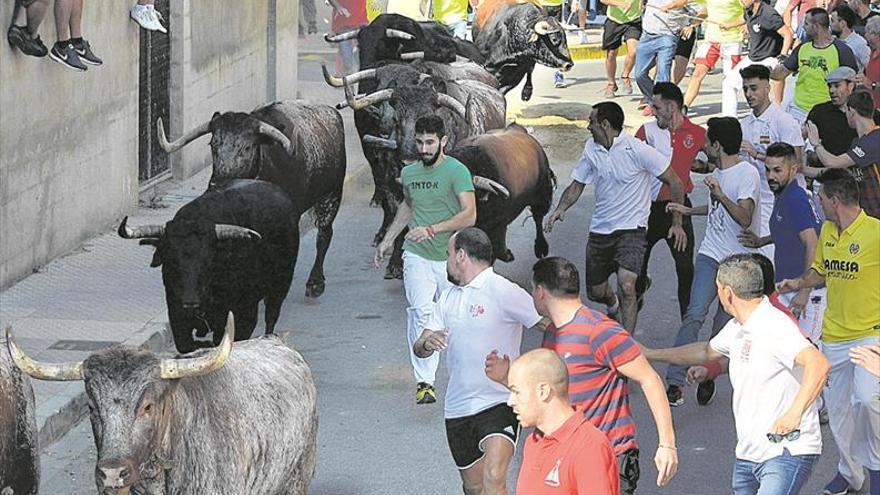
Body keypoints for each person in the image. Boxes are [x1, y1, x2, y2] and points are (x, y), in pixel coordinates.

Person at [485, 257, 679, 494]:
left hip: (609, 453)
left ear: (540, 291)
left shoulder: (599, 331)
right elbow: (550, 391)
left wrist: (667, 444)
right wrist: (508, 379)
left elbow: (649, 378)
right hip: (565, 452)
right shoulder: (552, 334)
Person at [643, 254, 830, 495]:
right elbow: (705, 350)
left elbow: (819, 364)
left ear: (727, 293)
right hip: (749, 453)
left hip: (785, 450)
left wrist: (794, 413)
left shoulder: (775, 325)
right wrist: (651, 353)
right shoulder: (739, 327)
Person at [413, 228, 541, 495]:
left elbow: (549, 323)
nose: (446, 260)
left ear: (460, 255)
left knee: (494, 478)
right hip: (458, 408)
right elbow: (419, 347)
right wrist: (427, 342)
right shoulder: (446, 297)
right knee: (473, 487)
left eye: (448, 253)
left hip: (499, 401)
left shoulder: (504, 291)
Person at [777, 168, 879, 495]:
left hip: (870, 336)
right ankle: (851, 475)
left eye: (820, 198)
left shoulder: (876, 234)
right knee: (838, 415)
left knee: (866, 400)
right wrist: (799, 282)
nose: (817, 204)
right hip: (834, 338)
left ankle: (875, 470)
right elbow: (820, 272)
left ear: (834, 201)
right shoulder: (828, 234)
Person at [545, 102, 686, 334]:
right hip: (600, 231)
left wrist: (677, 222)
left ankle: (624, 346)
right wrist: (561, 209)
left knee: (627, 285)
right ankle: (613, 304)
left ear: (605, 125)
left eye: (591, 121)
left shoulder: (637, 150)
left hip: (633, 229)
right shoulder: (591, 149)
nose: (588, 126)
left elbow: (676, 182)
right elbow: (577, 184)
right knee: (595, 292)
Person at [374, 115, 477, 405]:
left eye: (430, 142)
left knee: (454, 316)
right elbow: (408, 206)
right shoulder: (410, 174)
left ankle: (463, 376)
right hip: (416, 255)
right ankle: (425, 382)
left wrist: (433, 229)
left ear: (443, 141)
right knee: (420, 311)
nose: (424, 148)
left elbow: (469, 215)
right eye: (419, 142)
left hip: (450, 258)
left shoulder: (457, 172)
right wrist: (388, 239)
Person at [663, 117, 762, 407]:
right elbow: (719, 207)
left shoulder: (747, 174)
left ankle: (706, 375)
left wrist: (719, 193)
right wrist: (689, 210)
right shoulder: (719, 170)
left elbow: (744, 217)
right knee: (694, 313)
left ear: (718, 144)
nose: (704, 146)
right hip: (711, 253)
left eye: (707, 142)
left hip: (737, 262)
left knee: (722, 327)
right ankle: (674, 381)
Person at [738, 143, 826, 342]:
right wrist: (763, 241)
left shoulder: (795, 199)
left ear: (793, 169)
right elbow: (790, 230)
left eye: (777, 170)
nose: (770, 176)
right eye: (768, 169)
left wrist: (804, 292)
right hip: (787, 289)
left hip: (808, 296)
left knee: (807, 356)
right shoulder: (784, 194)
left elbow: (812, 242)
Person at [634, 82, 705, 319]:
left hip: (679, 209)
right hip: (648, 211)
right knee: (636, 269)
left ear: (672, 107)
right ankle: (639, 292)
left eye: (657, 107)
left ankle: (688, 323)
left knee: (685, 269)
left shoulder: (696, 133)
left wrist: (702, 166)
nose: (652, 111)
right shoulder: (646, 132)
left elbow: (716, 158)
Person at [508, 349, 620, 495]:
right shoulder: (532, 442)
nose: (510, 402)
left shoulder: (590, 447)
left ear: (543, 391)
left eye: (516, 392)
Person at [737, 64, 805, 261]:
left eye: (754, 88)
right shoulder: (744, 124)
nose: (749, 94)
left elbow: (798, 164)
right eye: (745, 89)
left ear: (767, 87)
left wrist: (758, 154)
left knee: (777, 262)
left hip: (781, 203)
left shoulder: (784, 121)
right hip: (754, 203)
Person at [772, 7, 859, 123]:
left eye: (806, 24)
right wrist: (766, 72)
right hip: (798, 109)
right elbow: (783, 72)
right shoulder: (802, 48)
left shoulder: (842, 50)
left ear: (816, 26)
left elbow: (853, 82)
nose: (803, 27)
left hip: (827, 111)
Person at [805, 90, 880, 218]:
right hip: (866, 218)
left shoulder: (875, 140)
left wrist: (816, 143)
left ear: (851, 111)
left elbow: (833, 162)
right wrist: (801, 169)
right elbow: (836, 171)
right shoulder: (858, 142)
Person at [721, 0, 794, 116]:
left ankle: (769, 115)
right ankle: (729, 120)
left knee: (756, 88)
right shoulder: (748, 10)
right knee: (728, 83)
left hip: (769, 58)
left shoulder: (768, 14)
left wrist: (783, 55)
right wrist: (729, 25)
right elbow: (743, 18)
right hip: (753, 57)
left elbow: (787, 34)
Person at [682, 0, 745, 113]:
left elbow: (748, 11)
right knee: (697, 73)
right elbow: (706, 9)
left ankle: (729, 115)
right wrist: (692, 24)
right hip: (711, 40)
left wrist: (744, 25)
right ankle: (684, 107)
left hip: (732, 41)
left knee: (730, 80)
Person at [633, 0, 689, 114]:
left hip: (667, 35)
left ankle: (661, 107)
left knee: (663, 71)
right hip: (647, 35)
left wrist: (672, 6)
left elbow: (686, 1)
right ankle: (652, 100)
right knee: (639, 74)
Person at [804, 66, 860, 177]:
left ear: (851, 86)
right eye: (829, 86)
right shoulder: (819, 112)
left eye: (837, 86)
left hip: (859, 177)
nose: (831, 90)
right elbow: (802, 136)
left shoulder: (869, 114)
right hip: (826, 176)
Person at [599, 0, 641, 97]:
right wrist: (621, 4)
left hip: (633, 21)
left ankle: (625, 76)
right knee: (611, 54)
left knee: (633, 51)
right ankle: (611, 83)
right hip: (614, 20)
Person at [832, 4, 872, 71]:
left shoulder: (859, 43)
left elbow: (870, 67)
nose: (830, 24)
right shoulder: (832, 40)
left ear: (842, 23)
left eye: (833, 21)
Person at [856, 16, 880, 104]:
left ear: (877, 34)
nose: (865, 35)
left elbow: (871, 83)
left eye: (868, 32)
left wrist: (872, 84)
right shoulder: (872, 53)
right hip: (872, 106)